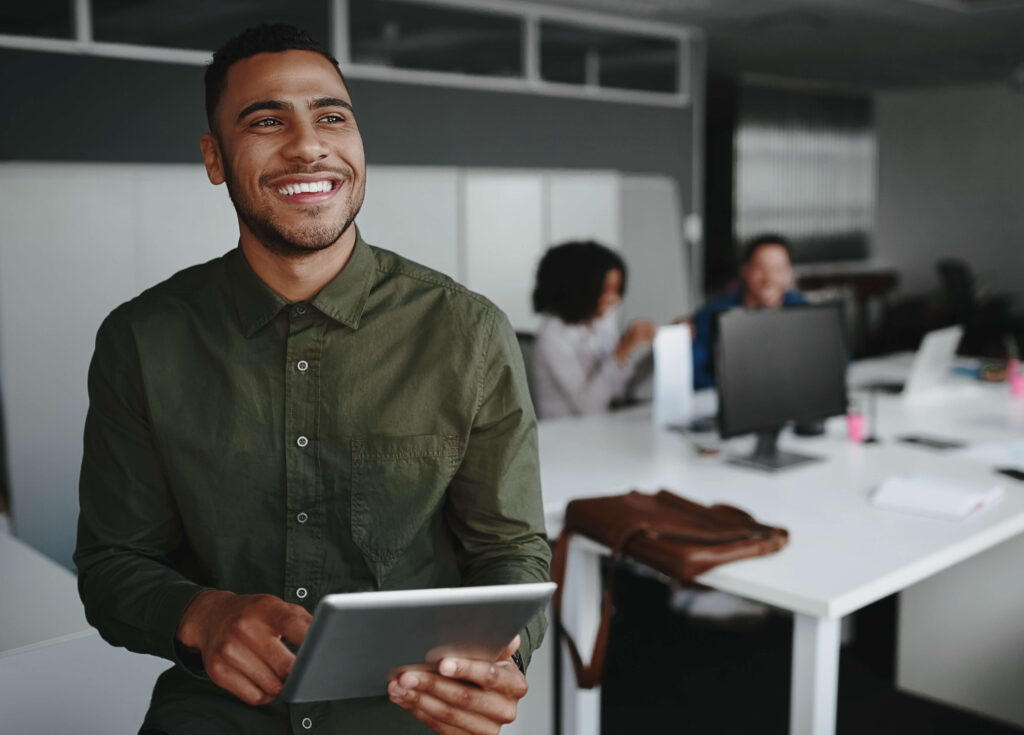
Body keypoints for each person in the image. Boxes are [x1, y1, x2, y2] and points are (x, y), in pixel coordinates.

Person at [73, 24, 550, 735]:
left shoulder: (467, 331)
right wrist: (201, 614)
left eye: (332, 116)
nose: (308, 144)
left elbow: (512, 551)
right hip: (218, 712)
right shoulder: (141, 340)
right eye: (267, 120)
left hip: (411, 711)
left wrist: (500, 654)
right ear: (214, 158)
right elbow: (114, 563)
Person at [530, 241, 657, 419]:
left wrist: (659, 353)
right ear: (581, 288)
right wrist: (622, 349)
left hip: (600, 428)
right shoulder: (552, 336)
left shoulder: (600, 324)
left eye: (617, 290)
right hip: (565, 436)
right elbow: (589, 406)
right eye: (606, 290)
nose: (614, 299)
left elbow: (620, 389)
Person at [690, 233, 807, 389]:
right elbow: (694, 371)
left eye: (779, 269)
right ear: (744, 270)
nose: (769, 279)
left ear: (789, 272)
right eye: (761, 268)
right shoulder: (714, 313)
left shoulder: (803, 310)